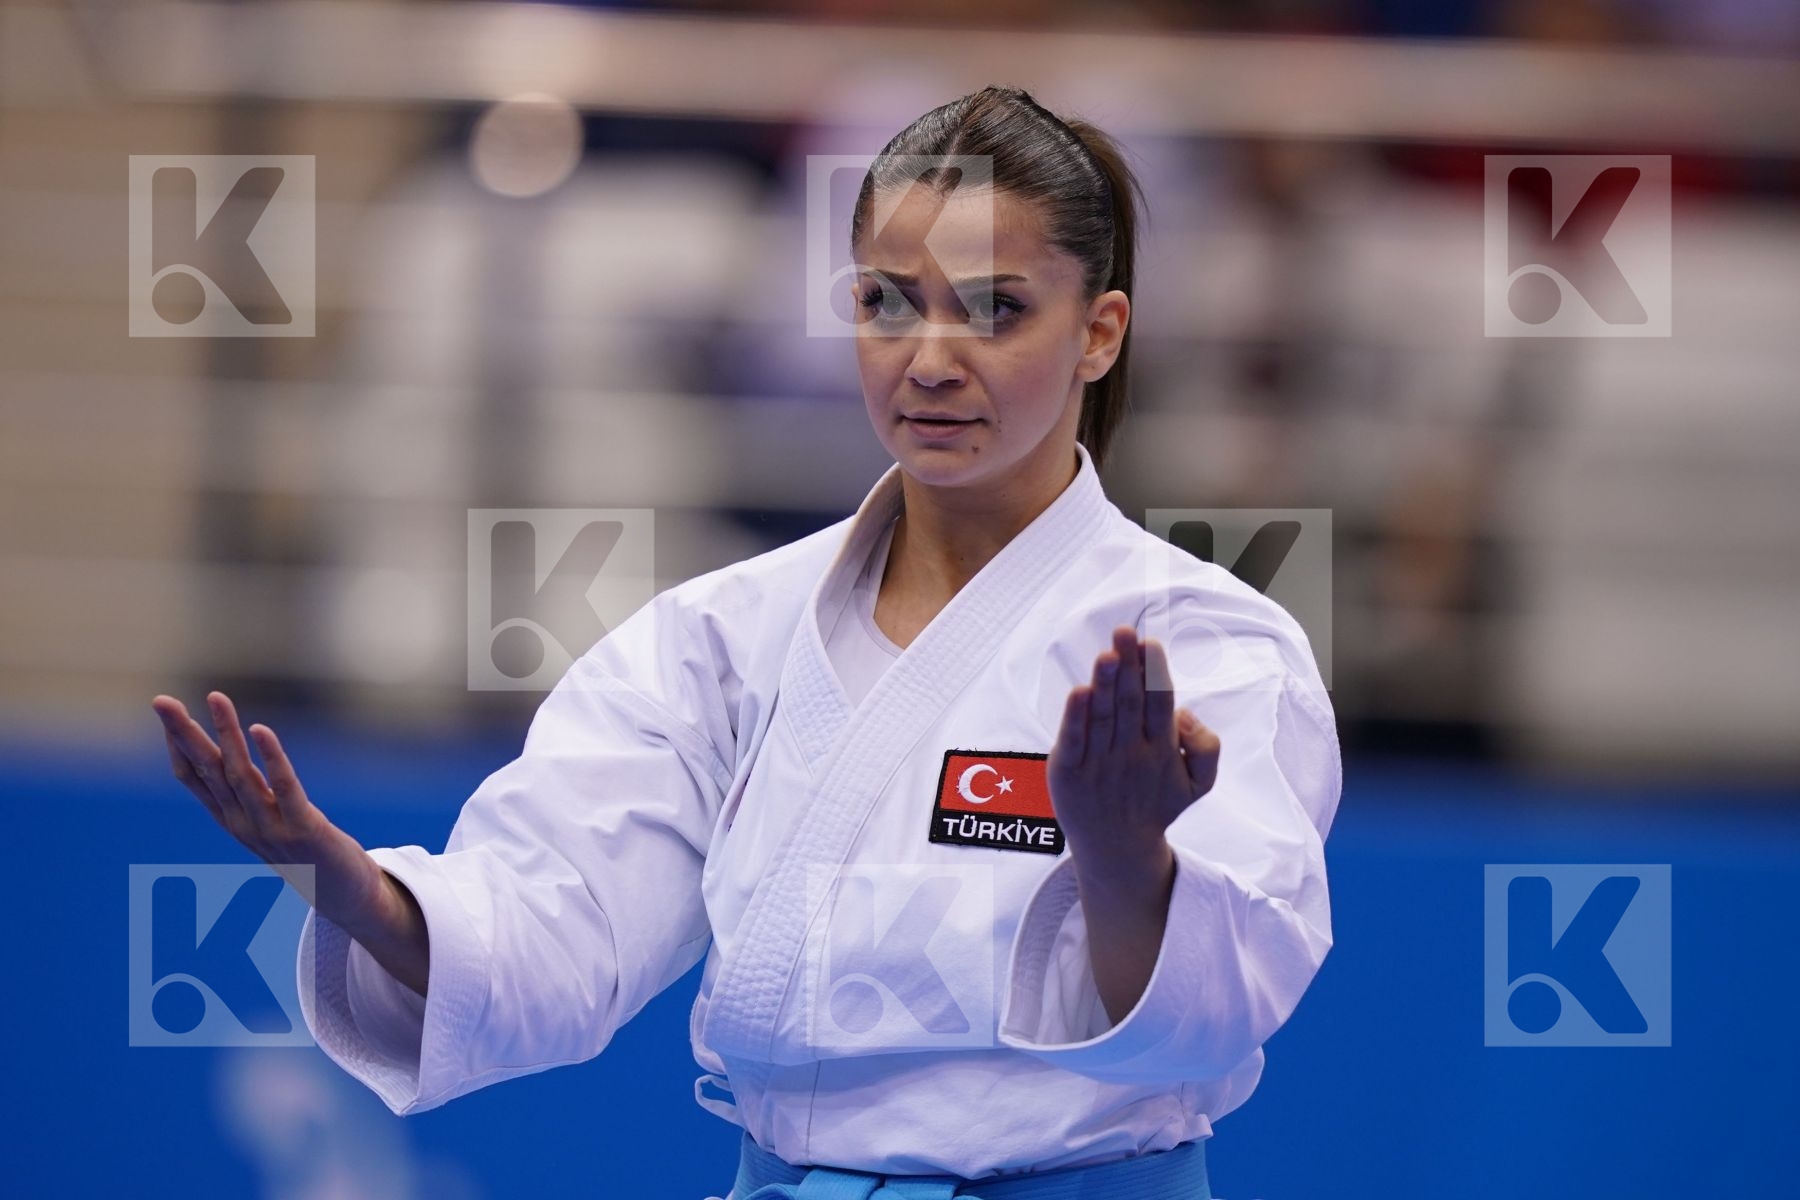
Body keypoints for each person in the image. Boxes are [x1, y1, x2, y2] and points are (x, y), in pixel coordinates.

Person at [152, 84, 1340, 1199]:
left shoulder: (1209, 646)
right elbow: (550, 928)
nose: (930, 358)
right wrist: (344, 879)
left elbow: (1228, 1009)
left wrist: (1128, 859)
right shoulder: (721, 637)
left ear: (1100, 332)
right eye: (887, 301)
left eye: (995, 309)